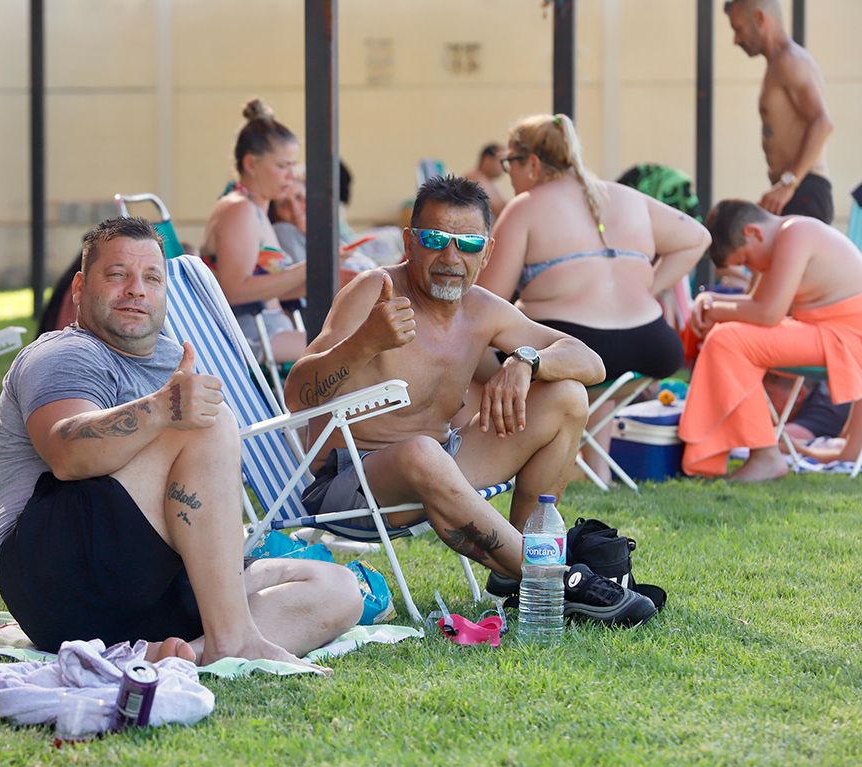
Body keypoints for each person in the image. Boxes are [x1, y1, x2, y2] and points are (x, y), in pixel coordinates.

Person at [284, 175, 656, 626]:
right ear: (410, 242)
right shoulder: (373, 292)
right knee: (422, 452)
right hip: (350, 484)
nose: (450, 257)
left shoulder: (482, 308)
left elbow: (590, 361)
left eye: (468, 244)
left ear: (488, 250)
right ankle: (553, 579)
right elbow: (297, 395)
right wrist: (365, 342)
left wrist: (526, 360)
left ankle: (519, 572)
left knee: (566, 396)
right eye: (435, 239)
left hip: (442, 462)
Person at [0, 216, 362, 667]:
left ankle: (181, 654)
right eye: (117, 275)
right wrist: (163, 409)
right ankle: (231, 640)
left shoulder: (174, 358)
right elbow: (67, 454)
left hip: (151, 586)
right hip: (58, 580)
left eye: (152, 277)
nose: (136, 289)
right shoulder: (65, 354)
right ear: (79, 288)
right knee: (205, 422)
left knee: (339, 591)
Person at [477, 113, 710, 483]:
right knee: (596, 378)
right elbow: (697, 237)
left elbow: (486, 302)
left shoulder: (525, 208)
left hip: (580, 346)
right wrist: (647, 288)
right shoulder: (625, 196)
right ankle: (598, 471)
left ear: (532, 163)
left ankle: (488, 461)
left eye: (510, 164)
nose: (509, 175)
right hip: (651, 345)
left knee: (477, 354)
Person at [679, 199, 862, 480]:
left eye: (745, 261)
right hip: (827, 329)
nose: (750, 269)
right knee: (726, 337)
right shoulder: (787, 234)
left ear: (754, 233)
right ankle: (756, 451)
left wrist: (713, 308)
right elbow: (756, 305)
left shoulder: (796, 234)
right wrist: (709, 300)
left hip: (845, 335)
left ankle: (765, 456)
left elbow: (767, 314)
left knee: (728, 339)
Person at [201, 99, 357, 364]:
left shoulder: (254, 210)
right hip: (251, 335)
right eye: (282, 166)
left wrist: (329, 279)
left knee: (366, 330)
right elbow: (234, 290)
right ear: (251, 164)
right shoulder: (239, 210)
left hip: (271, 327)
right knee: (358, 341)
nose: (291, 175)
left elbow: (267, 291)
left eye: (292, 166)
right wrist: (312, 267)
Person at [724, 0, 835, 223]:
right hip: (794, 189)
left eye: (738, 29)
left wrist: (788, 183)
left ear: (760, 19)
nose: (736, 40)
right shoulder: (777, 65)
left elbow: (822, 123)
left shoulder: (790, 61)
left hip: (805, 189)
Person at [464, 144, 508, 219]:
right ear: (487, 159)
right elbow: (501, 211)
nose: (504, 167)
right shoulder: (476, 179)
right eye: (502, 161)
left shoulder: (488, 181)